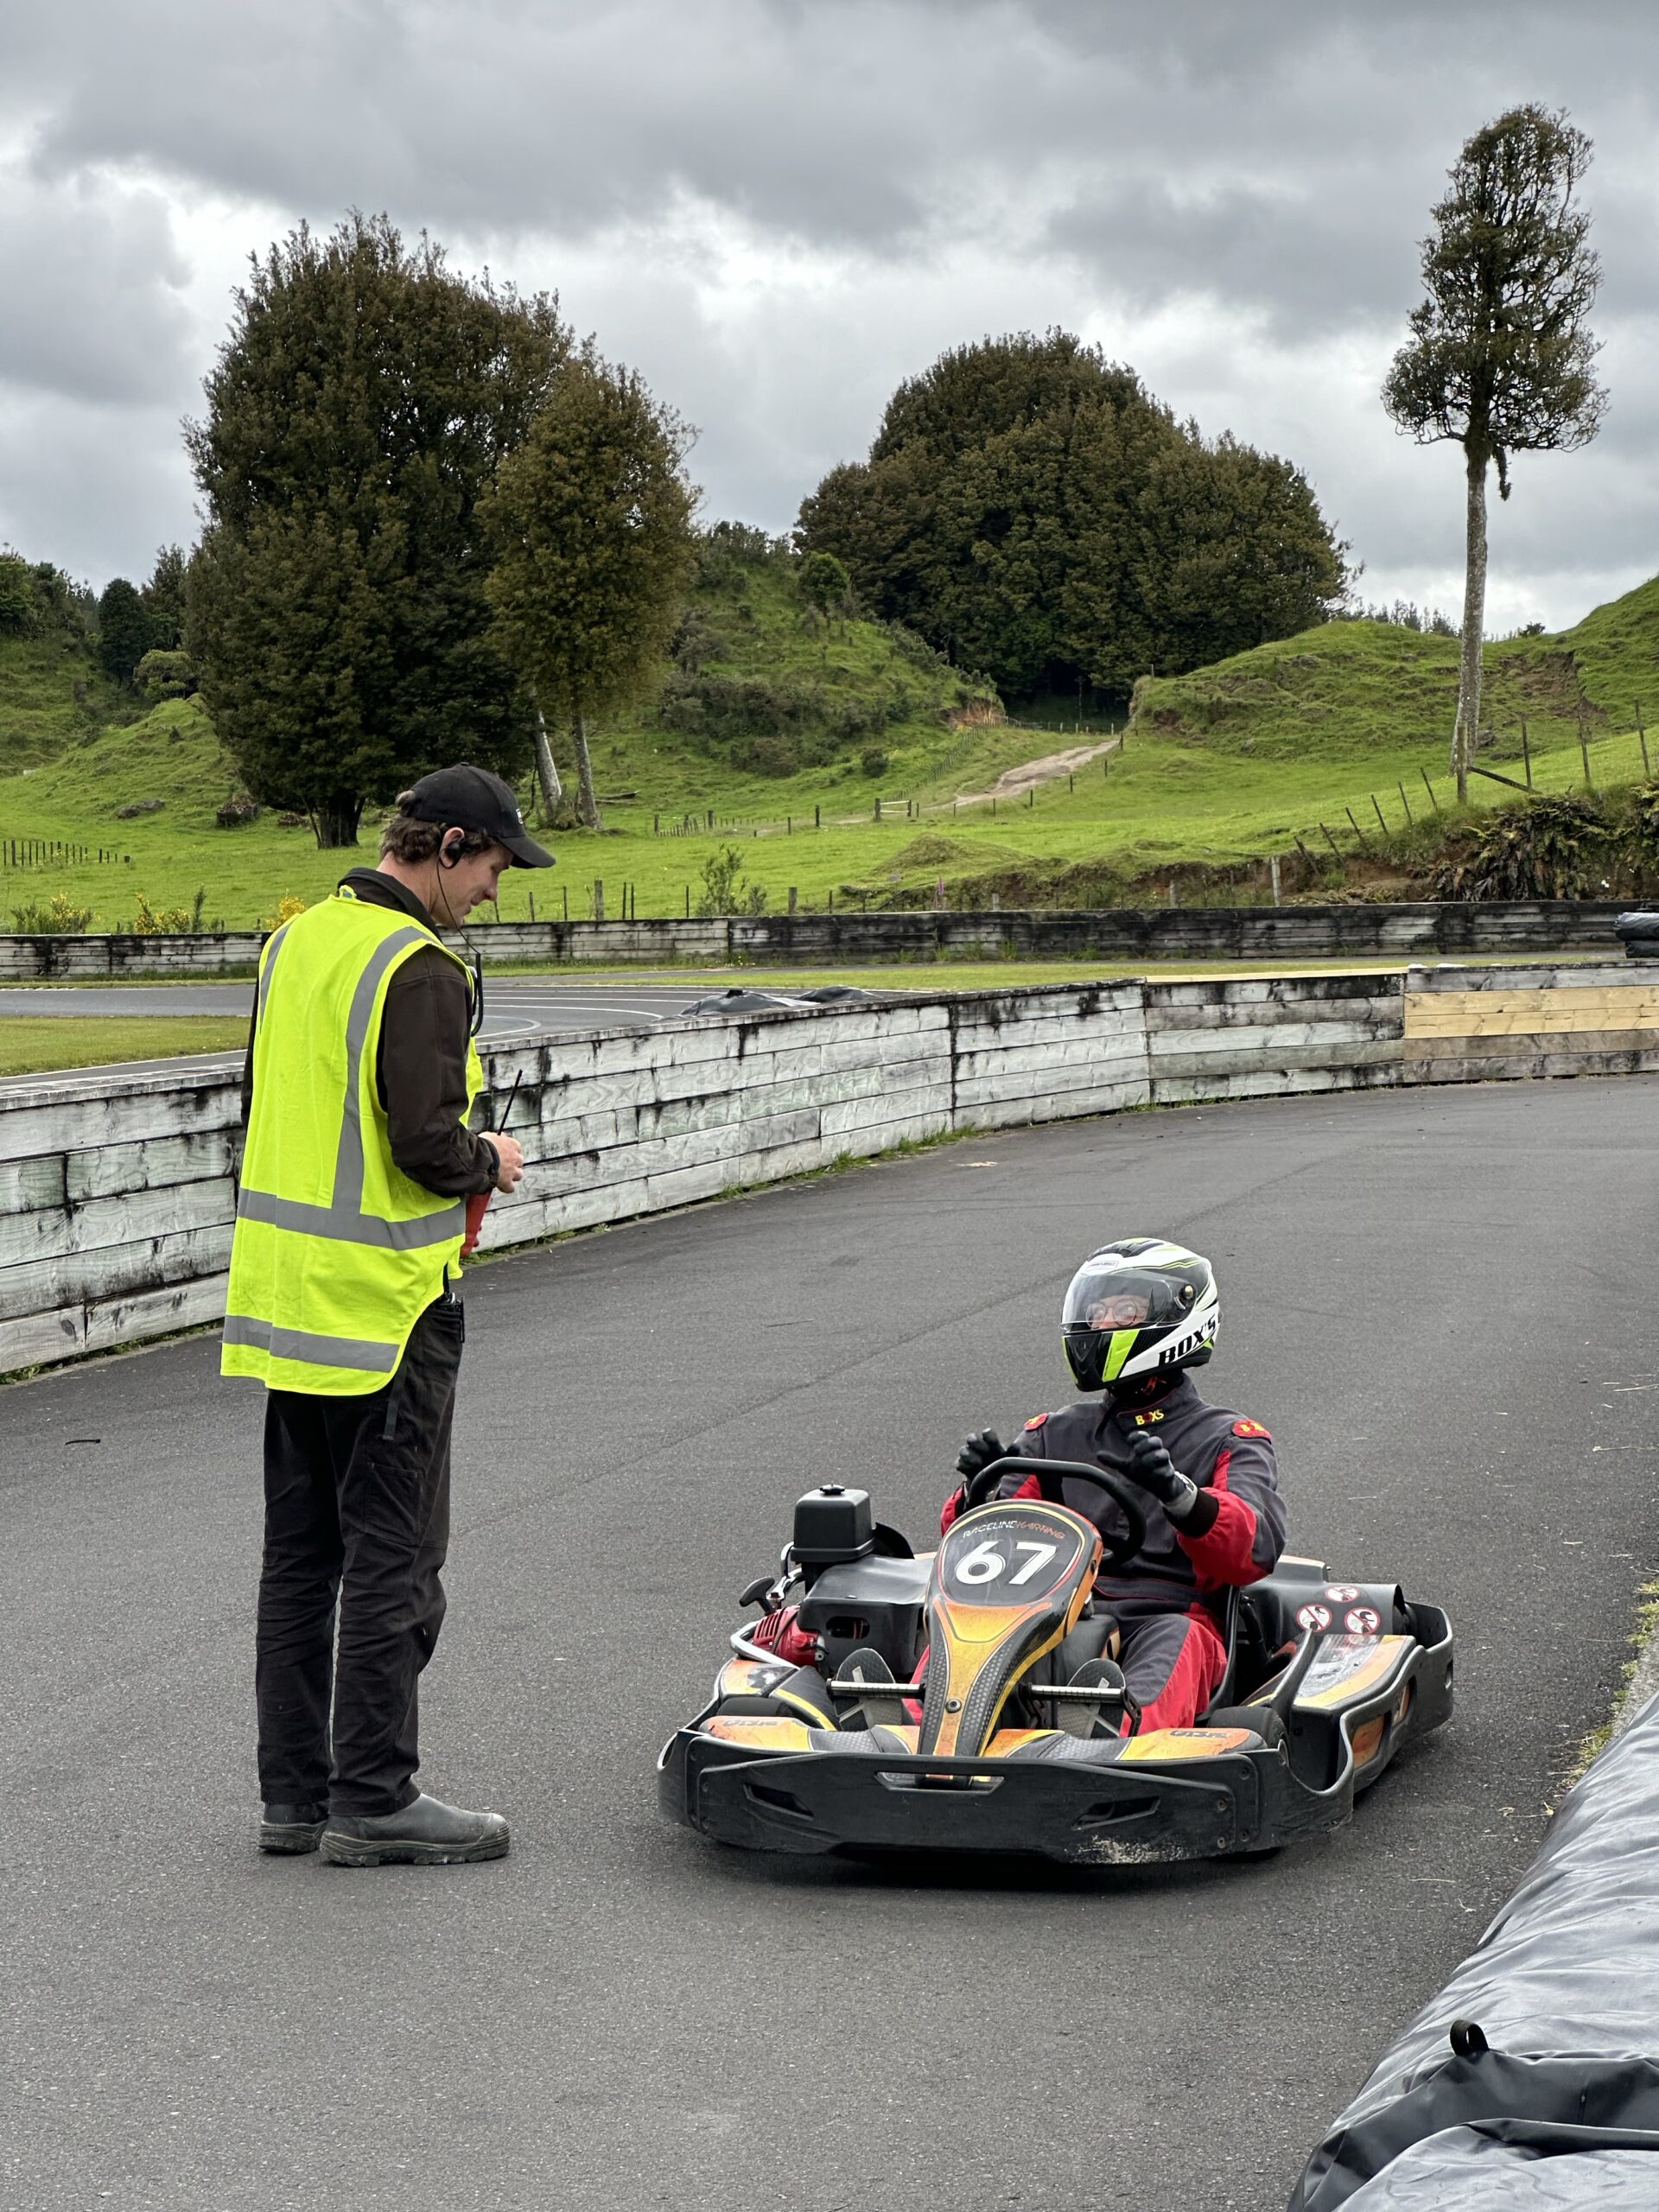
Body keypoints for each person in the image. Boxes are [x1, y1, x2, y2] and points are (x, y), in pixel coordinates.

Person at [224, 762, 553, 1866]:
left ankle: (295, 1799)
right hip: (387, 1305)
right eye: (499, 864)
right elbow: (423, 1145)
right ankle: (375, 1793)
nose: (500, 890)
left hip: (288, 1300)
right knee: (394, 1556)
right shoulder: (416, 965)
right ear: (451, 846)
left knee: (299, 1556)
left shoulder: (298, 940)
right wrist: (491, 1158)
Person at [945, 1237, 1286, 1733]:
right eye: (1097, 1312)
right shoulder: (1052, 1433)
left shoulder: (1229, 1438)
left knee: (1180, 1639)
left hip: (1167, 1613)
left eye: (1124, 1311)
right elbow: (982, 1551)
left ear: (1180, 1318)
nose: (1103, 1324)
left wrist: (1178, 1495)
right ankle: (909, 1720)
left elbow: (1253, 1551)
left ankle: (1113, 1740)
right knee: (969, 1630)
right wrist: (979, 1492)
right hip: (1054, 1613)